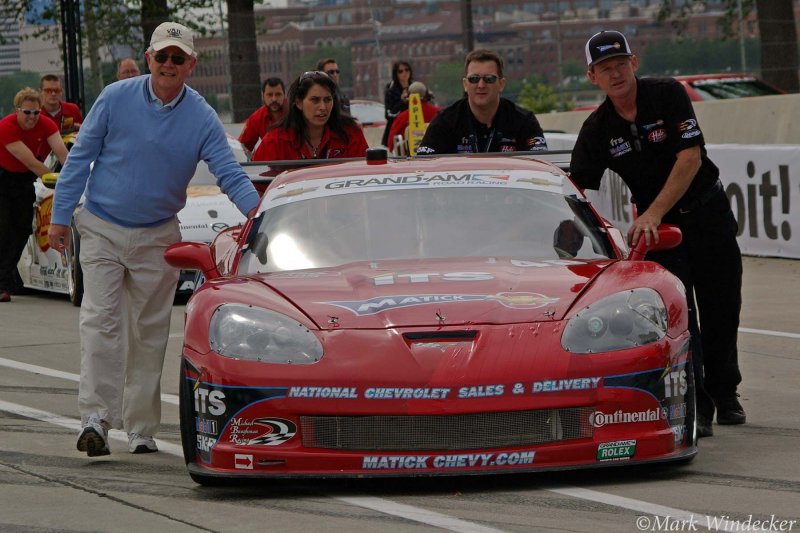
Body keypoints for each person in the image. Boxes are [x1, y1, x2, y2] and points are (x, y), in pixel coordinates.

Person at [47, 21, 260, 457]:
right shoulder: (114, 98)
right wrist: (61, 218)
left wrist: (261, 217)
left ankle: (141, 428)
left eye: (177, 58)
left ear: (191, 65)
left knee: (149, 331)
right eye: (161, 56)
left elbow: (229, 173)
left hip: (159, 233)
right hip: (102, 225)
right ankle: (96, 419)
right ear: (148, 59)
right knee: (101, 321)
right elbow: (79, 158)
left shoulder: (201, 116)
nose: (168, 64)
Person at [569, 30, 745, 437]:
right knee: (682, 317)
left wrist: (651, 212)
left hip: (706, 214)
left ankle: (726, 391)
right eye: (604, 69)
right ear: (592, 76)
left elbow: (690, 157)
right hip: (661, 234)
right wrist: (570, 238)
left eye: (619, 64)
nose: (615, 74)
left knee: (723, 306)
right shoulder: (597, 128)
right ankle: (697, 403)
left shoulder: (668, 95)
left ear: (634, 63)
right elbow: (578, 187)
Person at [0, 88, 68, 303]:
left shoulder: (47, 125)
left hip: (22, 180)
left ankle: (6, 275)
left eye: (36, 113)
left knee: (22, 229)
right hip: (2, 176)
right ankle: (2, 281)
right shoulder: (6, 126)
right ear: (17, 111)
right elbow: (29, 161)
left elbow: (63, 154)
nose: (31, 117)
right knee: (3, 228)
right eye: (27, 112)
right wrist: (60, 181)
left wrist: (76, 179)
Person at [417, 49, 548, 155]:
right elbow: (424, 166)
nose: (481, 85)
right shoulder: (445, 121)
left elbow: (541, 165)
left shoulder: (524, 121)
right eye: (474, 79)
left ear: (501, 84)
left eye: (489, 79)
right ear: (465, 84)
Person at [252, 71, 368, 161]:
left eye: (328, 100)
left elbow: (366, 176)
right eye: (315, 100)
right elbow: (256, 187)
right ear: (298, 103)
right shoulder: (275, 140)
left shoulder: (351, 133)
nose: (323, 107)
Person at [238, 77, 287, 158]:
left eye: (278, 94)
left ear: (284, 95)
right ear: (263, 95)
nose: (274, 99)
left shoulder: (295, 113)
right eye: (270, 95)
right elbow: (243, 148)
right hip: (269, 166)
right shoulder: (256, 118)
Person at [387, 81, 440, 152]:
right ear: (427, 95)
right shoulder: (439, 113)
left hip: (409, 159)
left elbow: (391, 145)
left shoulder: (402, 117)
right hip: (437, 155)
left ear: (408, 97)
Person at [381, 60, 413, 147]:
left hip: (413, 129)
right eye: (400, 71)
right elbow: (388, 115)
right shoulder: (391, 90)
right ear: (396, 74)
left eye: (407, 70)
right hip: (397, 131)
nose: (404, 73)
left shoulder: (414, 87)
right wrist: (402, 102)